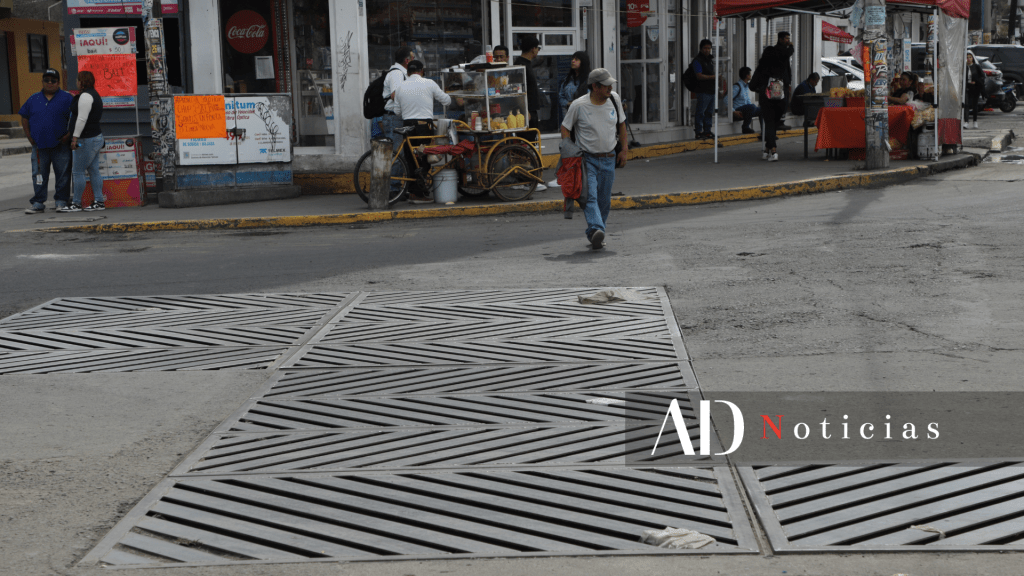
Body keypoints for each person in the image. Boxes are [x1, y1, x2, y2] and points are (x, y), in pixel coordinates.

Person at [560, 68, 628, 250]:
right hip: (586, 160)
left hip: (609, 158)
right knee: (589, 197)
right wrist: (569, 150)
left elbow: (622, 124)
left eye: (611, 85)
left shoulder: (614, 99)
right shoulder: (579, 105)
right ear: (595, 86)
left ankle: (595, 233)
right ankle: (597, 228)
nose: (610, 88)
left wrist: (625, 150)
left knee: (604, 200)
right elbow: (565, 128)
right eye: (606, 85)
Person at [393, 59, 452, 203]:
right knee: (424, 158)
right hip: (424, 126)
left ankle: (413, 191)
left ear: (407, 72)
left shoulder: (400, 87)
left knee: (410, 159)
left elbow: (396, 111)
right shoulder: (429, 83)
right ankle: (418, 194)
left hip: (408, 126)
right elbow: (447, 100)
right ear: (422, 71)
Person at [19, 68, 73, 214]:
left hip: (61, 145)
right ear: (42, 82)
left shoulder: (67, 98)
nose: (50, 83)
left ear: (58, 82)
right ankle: (38, 202)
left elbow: (74, 118)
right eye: (46, 80)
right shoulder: (33, 98)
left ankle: (61, 201)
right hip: (39, 146)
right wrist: (29, 137)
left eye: (53, 81)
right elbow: (24, 117)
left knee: (63, 174)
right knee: (38, 175)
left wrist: (68, 135)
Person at [59, 71, 104, 212]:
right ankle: (99, 201)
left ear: (81, 81)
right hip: (95, 137)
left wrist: (74, 138)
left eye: (78, 80)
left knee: (77, 171)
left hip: (85, 139)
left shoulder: (85, 96)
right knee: (93, 170)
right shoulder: (93, 94)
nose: (76, 82)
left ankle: (76, 203)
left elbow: (82, 119)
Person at [752, 31, 794, 162]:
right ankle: (771, 149)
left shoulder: (762, 68)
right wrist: (791, 46)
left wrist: (761, 89)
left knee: (769, 122)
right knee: (774, 123)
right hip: (781, 97)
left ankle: (769, 149)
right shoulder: (782, 66)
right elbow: (788, 78)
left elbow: (752, 85)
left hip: (766, 98)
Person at [513, 34, 546, 190]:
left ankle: (524, 178)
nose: (538, 51)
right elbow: (519, 91)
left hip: (530, 110)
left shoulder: (525, 64)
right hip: (527, 112)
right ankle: (525, 180)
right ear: (534, 49)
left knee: (526, 146)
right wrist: (525, 111)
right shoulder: (521, 66)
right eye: (537, 48)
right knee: (526, 146)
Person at [382, 47, 414, 151]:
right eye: (413, 58)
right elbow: (395, 95)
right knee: (396, 152)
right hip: (394, 118)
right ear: (407, 60)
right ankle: (394, 168)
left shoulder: (402, 73)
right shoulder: (397, 73)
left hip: (397, 117)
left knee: (400, 151)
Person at [692, 39, 716, 139]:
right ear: (701, 49)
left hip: (711, 90)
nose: (707, 50)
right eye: (705, 48)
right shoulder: (697, 60)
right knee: (700, 112)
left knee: (709, 112)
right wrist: (713, 77)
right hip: (703, 91)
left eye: (709, 48)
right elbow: (699, 76)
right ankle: (698, 131)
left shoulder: (710, 60)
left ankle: (707, 131)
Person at [558, 51, 592, 120]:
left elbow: (591, 98)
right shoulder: (567, 79)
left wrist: (576, 104)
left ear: (583, 62)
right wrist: (568, 103)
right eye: (572, 59)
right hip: (568, 115)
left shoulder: (589, 79)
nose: (573, 61)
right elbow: (561, 96)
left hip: (584, 116)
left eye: (576, 59)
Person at [732, 67, 760, 135]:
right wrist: (733, 111)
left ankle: (765, 132)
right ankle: (745, 127)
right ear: (747, 76)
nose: (751, 75)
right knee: (752, 107)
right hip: (738, 111)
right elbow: (726, 99)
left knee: (761, 109)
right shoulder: (737, 86)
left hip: (746, 110)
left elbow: (748, 102)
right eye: (750, 74)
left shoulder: (747, 86)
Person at [964, 51, 984, 129]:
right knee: (966, 104)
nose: (968, 59)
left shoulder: (976, 66)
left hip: (975, 88)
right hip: (967, 87)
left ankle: (975, 121)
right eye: (967, 57)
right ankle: (966, 122)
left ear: (972, 58)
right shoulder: (964, 67)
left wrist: (976, 82)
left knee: (974, 104)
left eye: (970, 57)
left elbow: (982, 76)